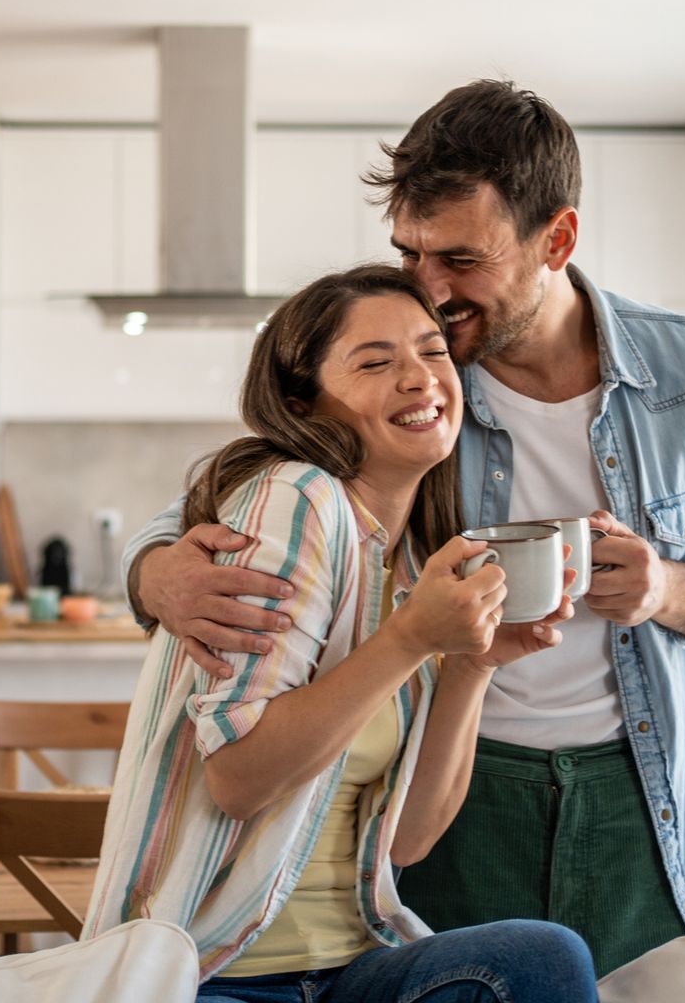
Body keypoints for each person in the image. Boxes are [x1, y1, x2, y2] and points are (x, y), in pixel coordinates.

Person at [123, 81, 685, 978]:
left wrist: (665, 588)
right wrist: (157, 576)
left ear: (556, 238)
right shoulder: (419, 381)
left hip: (639, 788)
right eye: (408, 252)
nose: (429, 291)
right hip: (451, 788)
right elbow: (210, 509)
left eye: (461, 259)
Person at [85, 264, 598, 1002]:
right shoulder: (297, 499)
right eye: (376, 361)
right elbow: (238, 778)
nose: (420, 378)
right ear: (303, 403)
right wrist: (410, 641)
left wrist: (472, 665)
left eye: (431, 351)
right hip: (212, 973)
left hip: (353, 967)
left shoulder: (416, 557)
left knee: (543, 960)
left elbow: (411, 839)